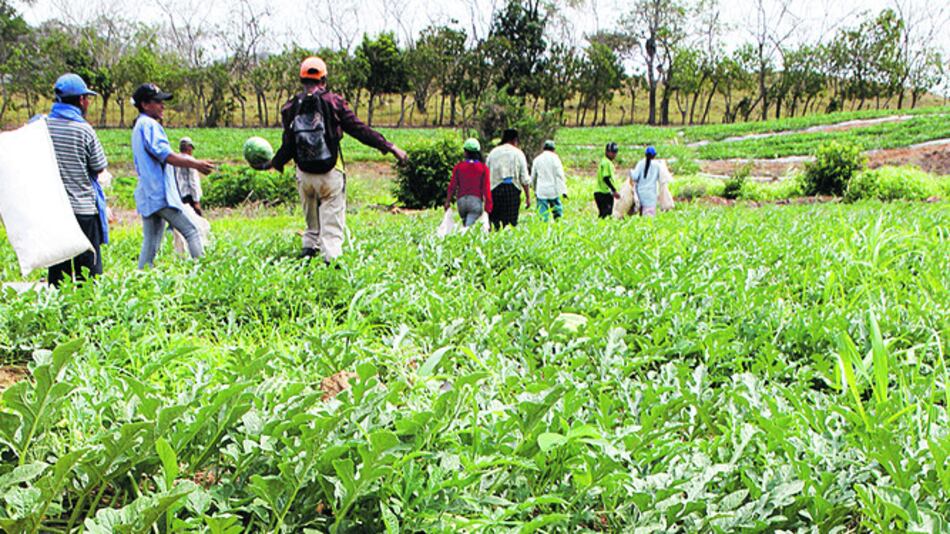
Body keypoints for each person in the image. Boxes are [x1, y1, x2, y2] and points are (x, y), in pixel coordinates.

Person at [267, 56, 408, 262]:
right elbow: (359, 130)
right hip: (330, 172)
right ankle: (331, 265)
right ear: (323, 80)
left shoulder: (291, 106)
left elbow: (288, 144)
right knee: (331, 226)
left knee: (312, 225)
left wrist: (275, 162)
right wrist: (389, 146)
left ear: (302, 80)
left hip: (304, 174)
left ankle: (308, 254)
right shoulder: (333, 102)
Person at [131, 83, 215, 269]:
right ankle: (205, 275)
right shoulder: (150, 125)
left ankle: (141, 278)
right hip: (160, 194)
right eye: (158, 101)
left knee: (151, 241)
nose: (162, 106)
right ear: (145, 104)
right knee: (191, 231)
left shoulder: (139, 125)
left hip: (148, 192)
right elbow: (166, 155)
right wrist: (196, 164)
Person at [44, 74, 110, 286]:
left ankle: (60, 316)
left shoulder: (42, 127)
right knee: (88, 272)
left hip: (55, 210)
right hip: (83, 209)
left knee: (58, 274)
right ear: (81, 100)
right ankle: (87, 315)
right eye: (87, 98)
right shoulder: (83, 130)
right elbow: (99, 166)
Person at [485, 129, 531, 229]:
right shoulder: (518, 153)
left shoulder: (493, 153)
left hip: (495, 190)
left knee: (494, 222)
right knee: (510, 223)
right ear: (515, 140)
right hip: (512, 191)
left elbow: (486, 175)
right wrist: (528, 197)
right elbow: (524, 178)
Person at [444, 138, 492, 227]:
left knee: (465, 223)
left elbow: (452, 186)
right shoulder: (483, 168)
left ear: (465, 152)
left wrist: (448, 201)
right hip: (475, 202)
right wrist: (488, 206)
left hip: (461, 202)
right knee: (469, 228)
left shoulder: (459, 167)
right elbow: (486, 188)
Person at [531, 140, 567, 222]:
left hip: (541, 191)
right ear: (553, 149)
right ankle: (558, 225)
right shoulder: (555, 159)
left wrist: (534, 189)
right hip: (553, 190)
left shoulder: (537, 159)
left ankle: (544, 228)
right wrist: (564, 190)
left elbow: (533, 177)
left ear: (543, 148)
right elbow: (560, 175)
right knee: (557, 212)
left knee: (543, 215)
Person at [629, 146, 663, 217]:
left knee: (642, 211)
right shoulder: (657, 165)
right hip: (651, 194)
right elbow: (661, 178)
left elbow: (635, 177)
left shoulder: (640, 163)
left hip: (641, 193)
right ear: (654, 156)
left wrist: (630, 172)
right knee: (650, 215)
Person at [175, 137, 203, 216]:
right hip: (190, 194)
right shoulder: (190, 161)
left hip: (180, 193)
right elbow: (192, 181)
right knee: (196, 219)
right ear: (189, 148)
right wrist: (196, 200)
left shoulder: (176, 159)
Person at [594, 142, 620, 219]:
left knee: (602, 215)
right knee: (606, 215)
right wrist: (614, 191)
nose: (614, 155)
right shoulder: (607, 163)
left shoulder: (604, 161)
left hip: (599, 192)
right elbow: (606, 178)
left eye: (615, 153)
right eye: (612, 152)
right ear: (607, 152)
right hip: (604, 193)